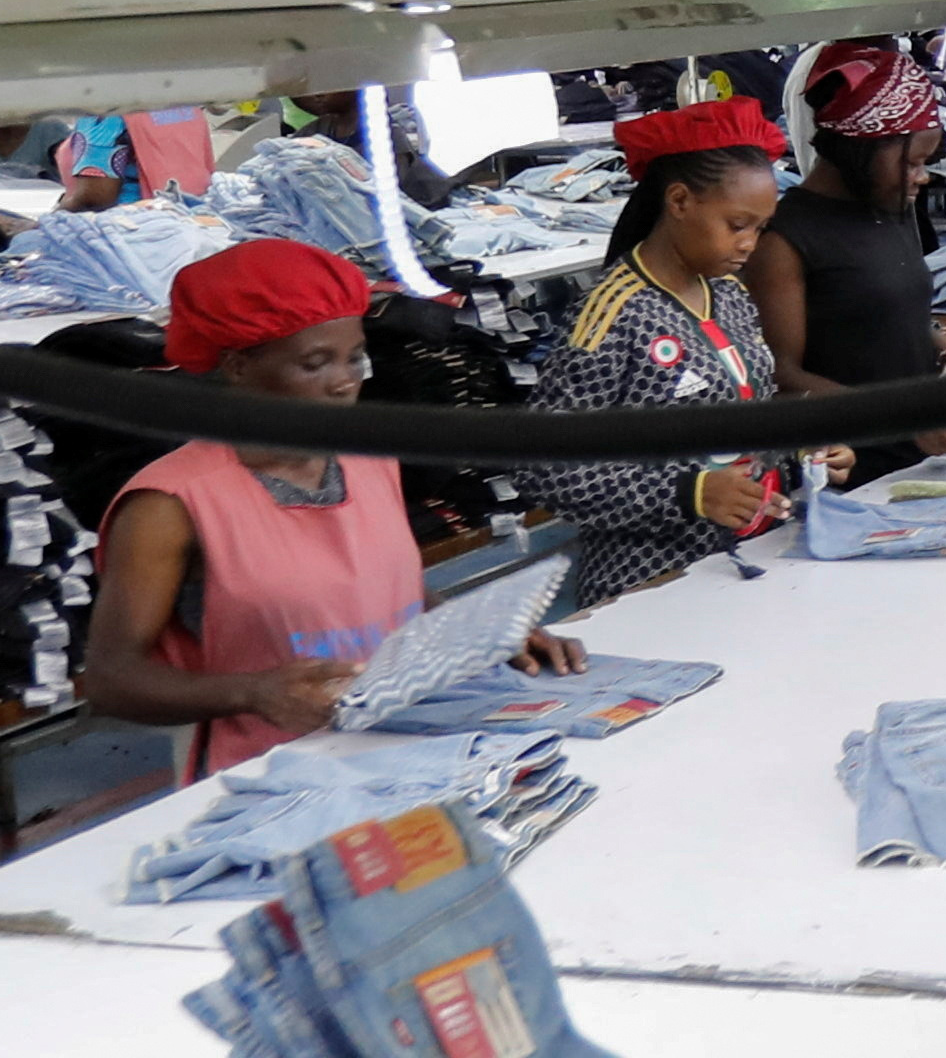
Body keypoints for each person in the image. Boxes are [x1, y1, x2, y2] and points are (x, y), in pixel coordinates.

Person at [82, 241, 584, 773]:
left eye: (354, 357)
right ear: (237, 364)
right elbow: (112, 680)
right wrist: (254, 692)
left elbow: (385, 594)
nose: (345, 382)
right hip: (271, 773)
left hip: (407, 747)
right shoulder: (171, 503)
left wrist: (483, 634)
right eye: (314, 363)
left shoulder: (368, 454)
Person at [521, 99, 833, 607]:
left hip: (744, 565)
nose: (750, 243)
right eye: (737, 225)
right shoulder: (612, 318)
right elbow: (546, 469)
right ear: (681, 201)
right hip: (651, 583)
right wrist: (687, 493)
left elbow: (747, 417)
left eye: (760, 228)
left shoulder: (728, 295)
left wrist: (802, 454)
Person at [751, 38, 946, 478]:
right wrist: (901, 418)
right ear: (867, 150)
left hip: (923, 459)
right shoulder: (784, 240)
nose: (922, 178)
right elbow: (780, 376)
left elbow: (899, 318)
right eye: (913, 163)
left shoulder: (891, 210)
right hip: (853, 469)